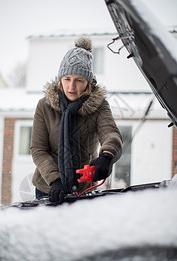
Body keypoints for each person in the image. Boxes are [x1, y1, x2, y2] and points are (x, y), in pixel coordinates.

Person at [30, 36, 122, 203]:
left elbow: (111, 134)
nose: (71, 87)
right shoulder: (44, 106)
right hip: (48, 188)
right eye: (67, 79)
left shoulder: (99, 106)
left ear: (88, 82)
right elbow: (38, 149)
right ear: (60, 80)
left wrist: (107, 156)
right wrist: (55, 179)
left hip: (84, 188)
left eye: (79, 80)